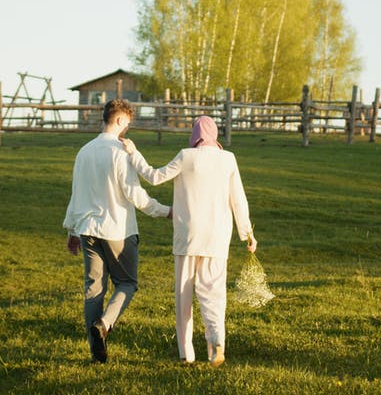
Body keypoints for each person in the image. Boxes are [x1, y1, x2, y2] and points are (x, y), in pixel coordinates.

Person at [122, 115, 257, 367]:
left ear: (194, 135)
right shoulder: (228, 159)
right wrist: (247, 234)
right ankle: (216, 340)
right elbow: (238, 199)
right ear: (214, 135)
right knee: (213, 293)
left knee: (183, 296)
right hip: (217, 236)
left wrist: (134, 153)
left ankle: (187, 354)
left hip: (187, 235)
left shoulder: (186, 156)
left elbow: (153, 176)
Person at [63, 98, 171, 363]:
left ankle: (95, 352)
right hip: (117, 230)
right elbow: (135, 194)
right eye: (128, 124)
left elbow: (77, 193)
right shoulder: (120, 151)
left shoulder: (84, 151)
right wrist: (165, 211)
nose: (127, 130)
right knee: (126, 283)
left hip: (88, 230)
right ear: (121, 120)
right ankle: (105, 324)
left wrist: (72, 230)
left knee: (94, 289)